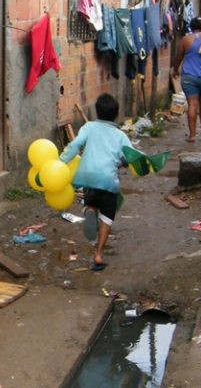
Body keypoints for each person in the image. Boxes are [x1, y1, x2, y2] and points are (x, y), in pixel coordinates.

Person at [59, 94, 132, 272]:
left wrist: (60, 162)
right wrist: (122, 162)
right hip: (108, 180)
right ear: (116, 114)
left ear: (97, 111)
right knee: (107, 217)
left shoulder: (88, 127)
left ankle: (90, 210)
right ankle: (98, 254)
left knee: (92, 202)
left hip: (87, 177)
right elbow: (129, 158)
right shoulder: (120, 135)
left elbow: (75, 145)